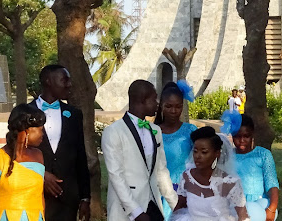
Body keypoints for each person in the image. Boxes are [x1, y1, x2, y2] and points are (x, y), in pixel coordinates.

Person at [103, 79, 177, 221]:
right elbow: (115, 175)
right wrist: (136, 212)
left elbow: (161, 171)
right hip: (126, 209)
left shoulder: (156, 131)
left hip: (153, 204)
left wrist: (175, 205)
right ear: (143, 100)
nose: (158, 104)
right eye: (154, 99)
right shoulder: (113, 132)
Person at [29, 64, 91, 221]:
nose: (69, 84)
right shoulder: (25, 112)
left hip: (67, 197)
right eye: (65, 80)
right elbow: (16, 153)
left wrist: (85, 197)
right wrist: (41, 174)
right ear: (48, 81)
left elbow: (80, 156)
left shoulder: (74, 114)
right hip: (34, 194)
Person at [0, 103, 47, 221]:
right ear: (26, 132)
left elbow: (40, 197)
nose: (43, 134)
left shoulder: (38, 156)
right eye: (40, 130)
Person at [170, 126, 250, 221]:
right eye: (195, 151)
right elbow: (180, 206)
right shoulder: (187, 177)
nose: (198, 156)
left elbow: (243, 216)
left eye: (204, 152)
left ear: (217, 153)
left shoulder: (230, 182)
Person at [155, 80, 198, 219]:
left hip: (186, 193)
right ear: (161, 105)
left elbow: (201, 161)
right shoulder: (153, 132)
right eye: (168, 106)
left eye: (178, 106)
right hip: (159, 193)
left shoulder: (191, 131)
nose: (174, 111)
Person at [233, 115, 279, 221]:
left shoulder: (263, 155)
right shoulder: (228, 156)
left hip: (259, 205)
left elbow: (272, 183)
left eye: (246, 136)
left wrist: (272, 207)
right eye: (237, 136)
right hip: (234, 204)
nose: (242, 140)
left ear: (252, 134)